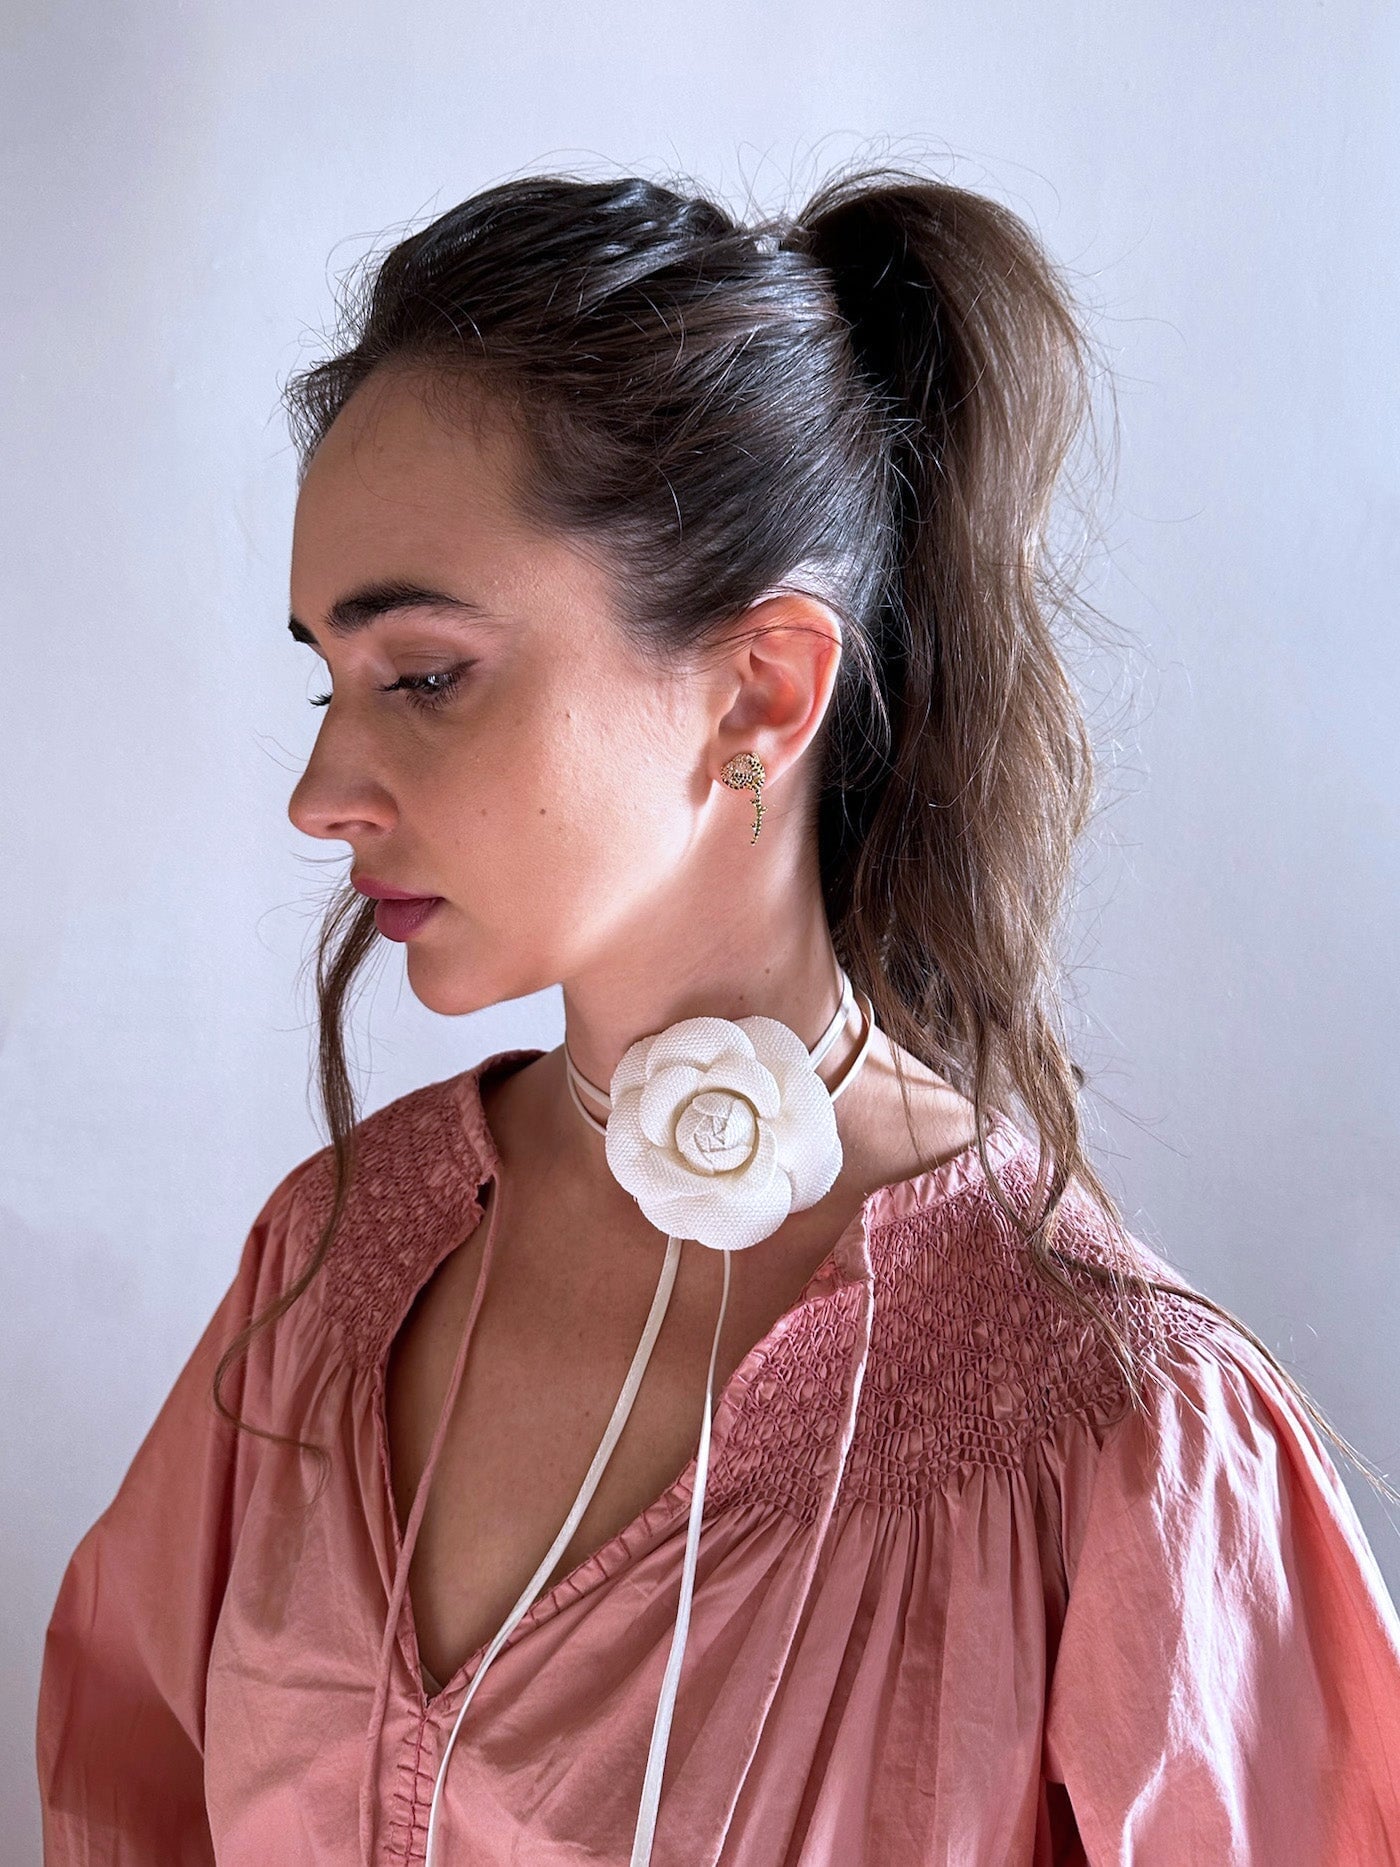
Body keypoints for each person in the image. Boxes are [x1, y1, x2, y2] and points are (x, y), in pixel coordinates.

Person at [35, 163, 1400, 1865]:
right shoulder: (325, 1270)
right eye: (328, 680)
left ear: (762, 688)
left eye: (424, 677)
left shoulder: (1116, 1430)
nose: (320, 794)